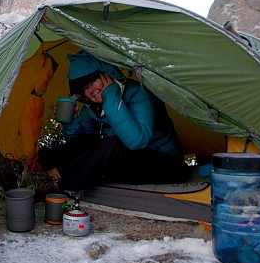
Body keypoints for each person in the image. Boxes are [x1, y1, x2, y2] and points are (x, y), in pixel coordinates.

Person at [16, 50, 189, 199]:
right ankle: (28, 172)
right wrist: (70, 123)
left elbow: (138, 141)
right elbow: (83, 141)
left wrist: (111, 96)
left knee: (114, 144)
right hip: (129, 164)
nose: (89, 90)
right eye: (83, 88)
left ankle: (54, 181)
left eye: (92, 81)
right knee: (59, 150)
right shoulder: (94, 107)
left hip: (166, 164)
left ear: (107, 73)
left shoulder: (139, 94)